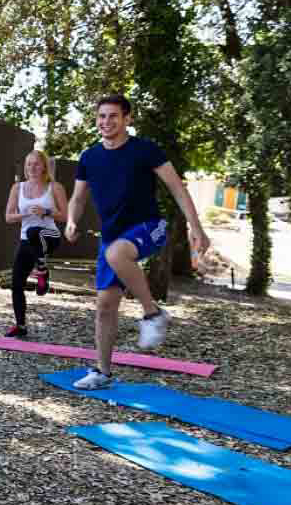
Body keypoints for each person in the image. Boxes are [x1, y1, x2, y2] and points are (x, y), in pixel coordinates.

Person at [65, 94, 209, 390]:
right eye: (101, 116)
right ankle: (102, 372)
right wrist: (71, 220)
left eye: (113, 116)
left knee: (118, 253)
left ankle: (153, 313)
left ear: (127, 119)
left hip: (149, 227)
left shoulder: (145, 150)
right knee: (105, 306)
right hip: (112, 236)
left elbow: (177, 188)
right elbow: (78, 198)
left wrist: (196, 226)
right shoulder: (90, 157)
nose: (106, 122)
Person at [3, 150, 69, 337]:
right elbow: (8, 217)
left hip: (50, 237)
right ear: (25, 167)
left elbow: (65, 215)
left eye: (37, 164)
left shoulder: (55, 187)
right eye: (29, 164)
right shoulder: (18, 188)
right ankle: (21, 325)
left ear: (44, 167)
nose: (32, 167)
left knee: (34, 231)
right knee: (16, 283)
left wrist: (46, 212)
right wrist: (26, 214)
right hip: (27, 241)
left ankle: (41, 270)